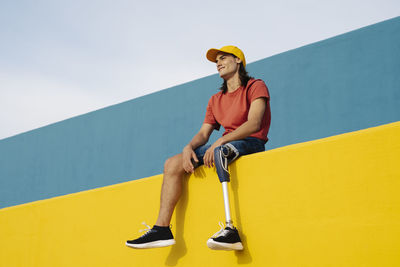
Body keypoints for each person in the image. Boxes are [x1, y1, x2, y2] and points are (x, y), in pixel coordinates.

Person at [126, 45, 271, 250]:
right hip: (227, 143)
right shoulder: (215, 100)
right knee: (173, 163)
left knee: (220, 151)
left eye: (223, 58)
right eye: (216, 61)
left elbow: (254, 123)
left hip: (251, 141)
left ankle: (231, 230)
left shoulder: (255, 86)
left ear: (238, 60)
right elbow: (204, 134)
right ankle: (161, 229)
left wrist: (221, 141)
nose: (218, 63)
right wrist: (188, 148)